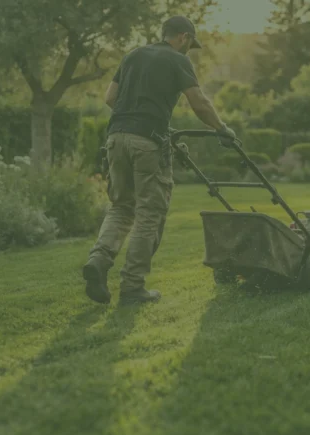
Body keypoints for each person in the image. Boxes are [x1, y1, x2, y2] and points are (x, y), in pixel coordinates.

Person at [82, 15, 235, 306]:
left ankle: (98, 261)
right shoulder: (178, 59)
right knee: (149, 214)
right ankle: (132, 286)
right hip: (146, 143)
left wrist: (143, 119)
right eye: (190, 45)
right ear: (184, 38)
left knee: (121, 207)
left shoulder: (132, 56)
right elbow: (199, 102)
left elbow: (110, 97)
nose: (189, 50)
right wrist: (222, 129)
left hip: (116, 137)